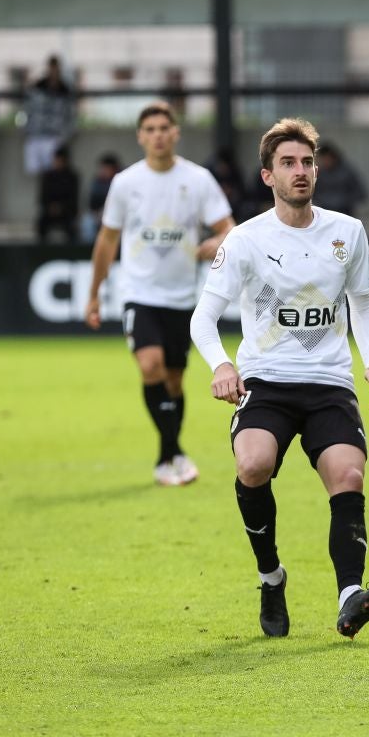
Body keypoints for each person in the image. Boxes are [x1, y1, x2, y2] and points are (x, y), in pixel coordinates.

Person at [189, 117, 369, 640]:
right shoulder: (245, 240)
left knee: (348, 477)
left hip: (329, 383)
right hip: (266, 380)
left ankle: (351, 597)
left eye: (307, 162)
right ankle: (271, 576)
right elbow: (203, 318)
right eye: (288, 163)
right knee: (253, 465)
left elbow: (363, 304)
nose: (300, 171)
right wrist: (222, 366)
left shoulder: (347, 232)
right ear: (267, 176)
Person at [85, 102, 235, 486]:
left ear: (175, 133)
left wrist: (216, 241)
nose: (157, 135)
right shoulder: (125, 183)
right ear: (140, 136)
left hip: (183, 297)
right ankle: (173, 455)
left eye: (163, 127)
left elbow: (229, 228)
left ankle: (168, 456)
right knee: (149, 365)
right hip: (139, 292)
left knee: (173, 381)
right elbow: (107, 239)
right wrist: (94, 293)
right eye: (149, 129)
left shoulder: (198, 179)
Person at [22, 55, 76, 175]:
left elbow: (71, 116)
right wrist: (27, 130)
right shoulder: (37, 88)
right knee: (35, 170)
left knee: (53, 171)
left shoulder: (65, 90)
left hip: (54, 137)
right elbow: (27, 110)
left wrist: (65, 136)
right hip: (36, 135)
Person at [36, 145, 80, 244]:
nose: (57, 163)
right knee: (41, 223)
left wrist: (61, 208)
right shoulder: (47, 176)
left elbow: (73, 199)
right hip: (49, 212)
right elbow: (43, 197)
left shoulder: (72, 177)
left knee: (72, 226)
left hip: (67, 212)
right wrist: (51, 207)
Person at [312, 142, 368, 217]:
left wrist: (343, 202)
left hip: (344, 214)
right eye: (322, 159)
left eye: (326, 158)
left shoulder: (347, 172)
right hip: (324, 215)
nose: (325, 162)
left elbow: (361, 193)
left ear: (333, 157)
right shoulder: (319, 174)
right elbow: (313, 193)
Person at [81, 152, 121, 243]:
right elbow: (92, 204)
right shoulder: (97, 182)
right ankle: (89, 249)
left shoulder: (121, 181)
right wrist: (97, 213)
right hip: (99, 214)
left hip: (118, 214)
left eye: (106, 168)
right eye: (102, 168)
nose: (103, 171)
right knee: (87, 221)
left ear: (114, 168)